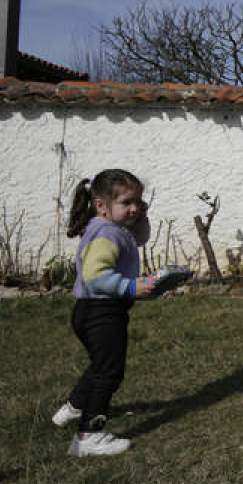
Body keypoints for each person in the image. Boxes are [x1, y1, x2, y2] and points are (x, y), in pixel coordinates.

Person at [52, 170, 157, 456]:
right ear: (101, 205)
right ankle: (89, 436)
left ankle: (73, 409)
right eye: (127, 203)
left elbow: (141, 238)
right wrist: (131, 287)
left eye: (138, 201)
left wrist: (142, 216)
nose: (134, 208)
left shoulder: (109, 225)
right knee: (110, 372)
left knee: (101, 364)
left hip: (91, 311)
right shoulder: (106, 234)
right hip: (102, 312)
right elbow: (95, 275)